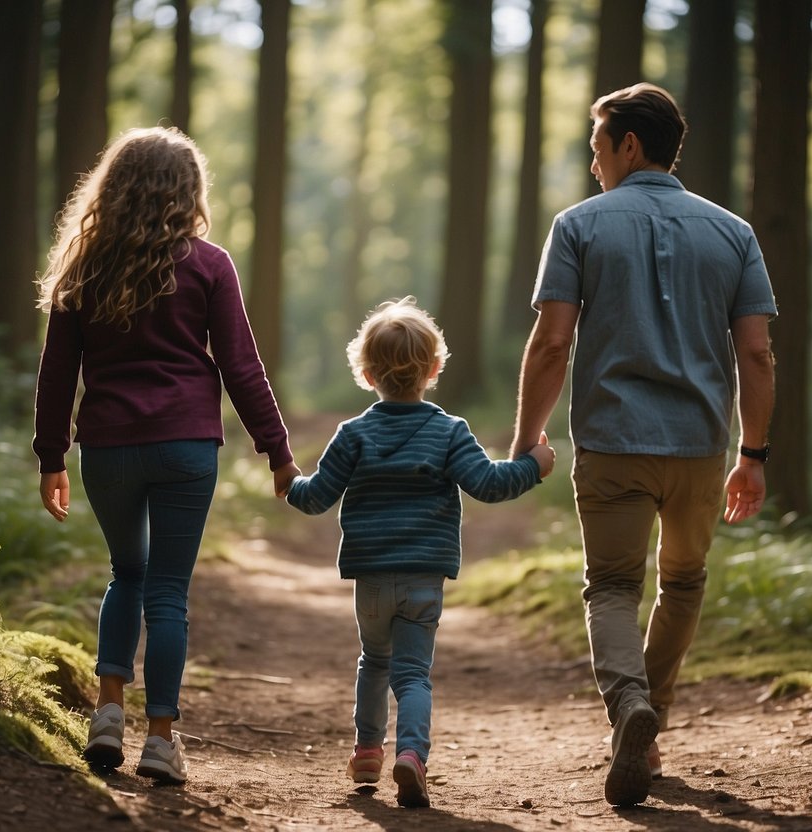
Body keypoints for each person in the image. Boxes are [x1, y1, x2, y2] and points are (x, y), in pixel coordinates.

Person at [510, 83, 777, 807]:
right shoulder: (732, 232)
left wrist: (527, 435)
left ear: (628, 145)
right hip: (698, 448)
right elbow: (755, 355)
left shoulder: (577, 226)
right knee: (682, 582)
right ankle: (649, 720)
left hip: (611, 442)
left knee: (613, 587)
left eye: (597, 147)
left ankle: (630, 707)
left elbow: (551, 341)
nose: (592, 163)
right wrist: (752, 455)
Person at [33, 126, 300, 785]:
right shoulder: (208, 264)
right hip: (185, 447)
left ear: (112, 186)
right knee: (168, 592)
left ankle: (105, 715)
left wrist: (50, 457)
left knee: (127, 574)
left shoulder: (82, 263)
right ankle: (159, 741)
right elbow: (242, 367)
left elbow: (56, 372)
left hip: (108, 448)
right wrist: (278, 452)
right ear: (188, 191)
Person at [285, 297, 555, 808]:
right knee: (412, 674)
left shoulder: (353, 434)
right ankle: (411, 755)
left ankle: (367, 751)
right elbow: (488, 483)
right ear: (434, 369)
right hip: (424, 578)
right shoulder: (449, 431)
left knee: (373, 661)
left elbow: (316, 495)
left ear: (366, 374)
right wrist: (534, 466)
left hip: (371, 578)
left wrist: (288, 482)